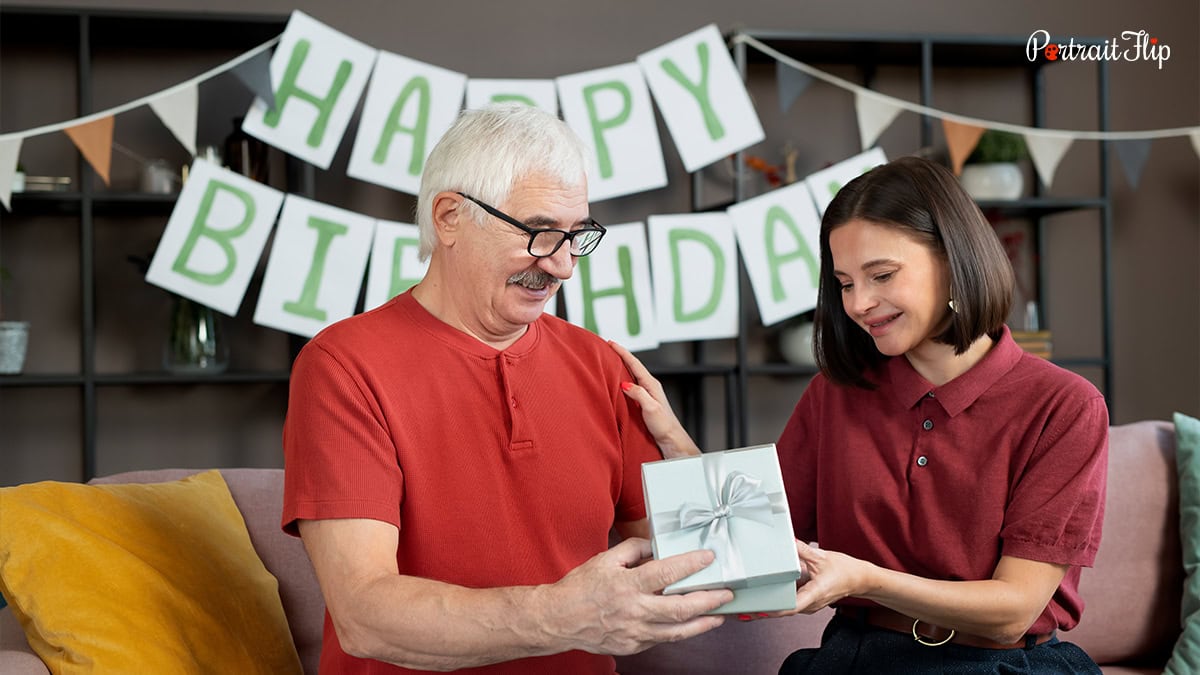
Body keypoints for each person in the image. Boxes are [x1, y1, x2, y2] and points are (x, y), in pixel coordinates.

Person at [280, 103, 733, 675]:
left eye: (576, 236)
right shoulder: (342, 365)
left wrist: (684, 454)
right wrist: (557, 616)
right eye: (542, 233)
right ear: (449, 218)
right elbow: (364, 614)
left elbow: (700, 568)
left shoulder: (600, 363)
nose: (564, 266)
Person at [614, 155, 1108, 673]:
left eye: (882, 275)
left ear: (953, 259)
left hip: (1002, 665)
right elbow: (754, 540)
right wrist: (675, 441)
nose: (859, 303)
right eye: (846, 283)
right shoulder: (834, 394)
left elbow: (1014, 610)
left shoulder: (1065, 406)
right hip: (856, 657)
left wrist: (865, 579)